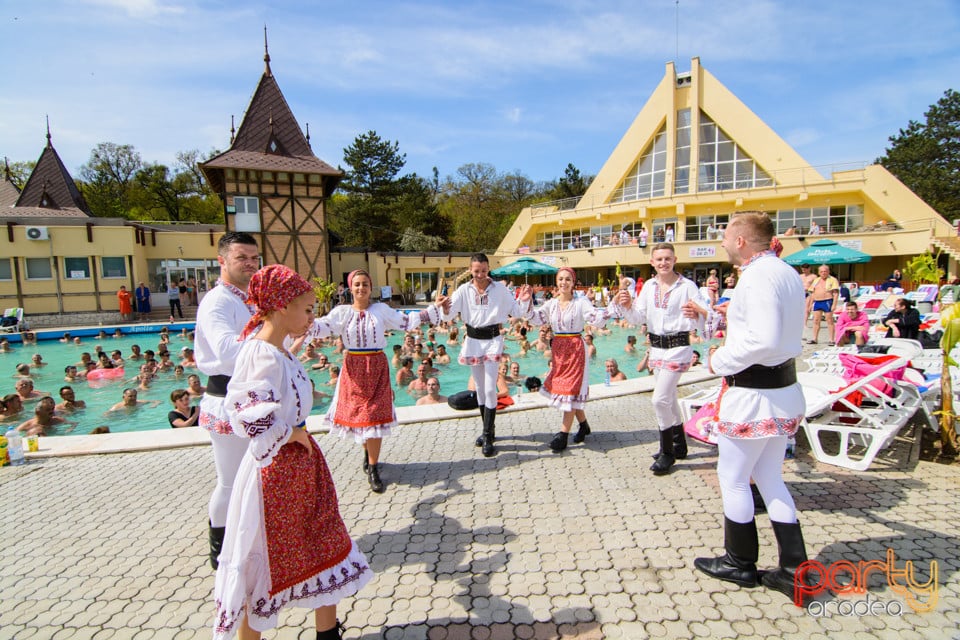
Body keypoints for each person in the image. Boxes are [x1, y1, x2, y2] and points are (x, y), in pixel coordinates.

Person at [216, 264, 372, 640]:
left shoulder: (277, 350)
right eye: (306, 309)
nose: (311, 316)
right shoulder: (262, 353)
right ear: (282, 306)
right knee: (263, 566)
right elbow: (246, 414)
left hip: (298, 470)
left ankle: (327, 633)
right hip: (276, 476)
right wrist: (289, 433)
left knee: (324, 546)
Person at [693, 211, 815, 604]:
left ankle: (740, 562)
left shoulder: (757, 276)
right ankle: (795, 570)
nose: (724, 242)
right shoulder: (784, 271)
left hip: (752, 394)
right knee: (769, 478)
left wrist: (719, 361)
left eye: (727, 236)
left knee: (732, 477)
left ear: (742, 240)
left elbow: (761, 340)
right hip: (782, 388)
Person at [306, 269, 445, 493]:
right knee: (361, 418)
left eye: (365, 284)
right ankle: (368, 455)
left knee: (374, 418)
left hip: (377, 367)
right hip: (353, 368)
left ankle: (373, 467)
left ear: (371, 288)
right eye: (357, 284)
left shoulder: (380, 310)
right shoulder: (341, 312)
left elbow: (406, 321)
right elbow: (322, 327)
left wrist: (434, 309)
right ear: (350, 288)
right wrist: (304, 317)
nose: (361, 288)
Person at [194, 231, 260, 569]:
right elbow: (226, 350)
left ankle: (250, 539)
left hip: (253, 396)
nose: (250, 264)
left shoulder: (248, 299)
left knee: (256, 476)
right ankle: (219, 549)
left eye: (254, 258)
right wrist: (270, 340)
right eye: (241, 258)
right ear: (222, 261)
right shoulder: (218, 301)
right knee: (230, 480)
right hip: (226, 396)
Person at [614, 243, 708, 476]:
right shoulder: (648, 286)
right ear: (652, 262)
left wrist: (697, 315)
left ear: (675, 260)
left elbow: (704, 318)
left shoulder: (688, 286)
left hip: (678, 347)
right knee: (670, 398)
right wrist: (626, 306)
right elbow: (638, 317)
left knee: (659, 399)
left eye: (667, 258)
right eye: (659, 259)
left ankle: (667, 452)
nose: (663, 263)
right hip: (656, 348)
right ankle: (679, 444)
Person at [441, 253, 533, 457]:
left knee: (491, 387)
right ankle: (488, 431)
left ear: (488, 268)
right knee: (481, 388)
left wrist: (524, 300)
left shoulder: (500, 289)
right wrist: (444, 307)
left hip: (493, 340)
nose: (480, 274)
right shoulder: (463, 290)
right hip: (473, 341)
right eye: (476, 271)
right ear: (471, 270)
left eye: (483, 270)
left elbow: (516, 310)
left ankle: (487, 435)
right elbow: (448, 315)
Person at [527, 267, 616, 452]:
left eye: (568, 279)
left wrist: (614, 306)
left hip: (575, 348)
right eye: (561, 279)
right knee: (567, 391)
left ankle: (562, 435)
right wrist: (526, 301)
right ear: (556, 282)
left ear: (573, 282)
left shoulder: (581, 302)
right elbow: (536, 318)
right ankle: (583, 426)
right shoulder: (551, 304)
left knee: (569, 392)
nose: (564, 283)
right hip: (559, 349)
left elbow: (595, 317)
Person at [807, 265, 839, 344]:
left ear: (828, 271)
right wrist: (810, 304)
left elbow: (835, 293)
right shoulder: (816, 280)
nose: (823, 273)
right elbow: (812, 293)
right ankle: (815, 338)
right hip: (817, 301)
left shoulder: (832, 280)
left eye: (825, 271)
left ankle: (831, 339)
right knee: (816, 320)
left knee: (829, 320)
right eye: (821, 271)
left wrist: (834, 304)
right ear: (819, 272)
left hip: (827, 301)